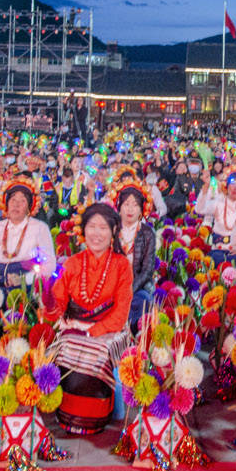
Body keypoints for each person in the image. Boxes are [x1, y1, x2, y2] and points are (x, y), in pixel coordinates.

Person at [43, 201, 133, 435]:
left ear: (113, 231)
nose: (97, 234)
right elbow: (57, 305)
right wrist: (48, 298)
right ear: (83, 231)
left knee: (97, 352)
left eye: (103, 227)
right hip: (73, 329)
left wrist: (90, 330)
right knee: (61, 348)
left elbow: (121, 313)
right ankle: (64, 412)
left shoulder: (122, 265)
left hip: (109, 331)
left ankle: (97, 415)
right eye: (92, 227)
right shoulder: (72, 262)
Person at [0, 174, 55, 286]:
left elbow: (49, 265)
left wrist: (23, 280)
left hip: (27, 283)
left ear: (29, 208)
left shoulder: (39, 228)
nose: (16, 205)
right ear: (6, 204)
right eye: (13, 200)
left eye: (22, 201)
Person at [109, 172, 158, 328]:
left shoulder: (147, 233)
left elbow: (147, 270)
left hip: (137, 286)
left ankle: (129, 337)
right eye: (126, 204)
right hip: (112, 284)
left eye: (135, 204)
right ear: (119, 206)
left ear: (141, 208)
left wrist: (129, 289)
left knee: (141, 303)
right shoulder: (111, 230)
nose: (130, 209)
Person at [196, 168, 236, 261]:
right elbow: (199, 209)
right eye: (233, 183)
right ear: (227, 185)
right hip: (219, 249)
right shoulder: (219, 203)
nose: (235, 188)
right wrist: (206, 187)